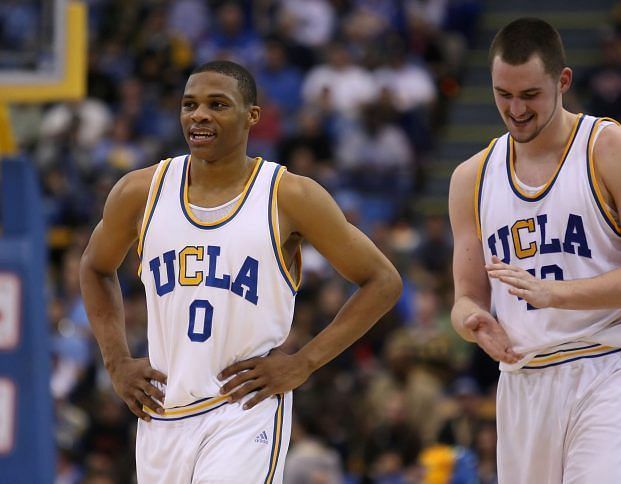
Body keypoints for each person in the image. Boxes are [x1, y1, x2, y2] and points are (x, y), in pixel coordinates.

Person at [79, 60, 402, 483]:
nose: (200, 115)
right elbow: (95, 267)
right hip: (162, 413)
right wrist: (117, 361)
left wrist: (303, 363)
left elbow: (383, 281)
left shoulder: (290, 195)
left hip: (243, 409)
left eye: (218, 104)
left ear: (252, 116)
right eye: (189, 104)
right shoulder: (140, 191)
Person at [448, 18, 621, 483]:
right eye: (503, 94)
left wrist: (557, 294)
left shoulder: (613, 150)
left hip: (614, 364)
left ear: (564, 81)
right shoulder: (470, 178)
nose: (515, 110)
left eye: (530, 95)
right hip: (524, 379)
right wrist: (472, 324)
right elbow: (466, 297)